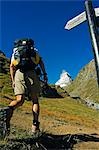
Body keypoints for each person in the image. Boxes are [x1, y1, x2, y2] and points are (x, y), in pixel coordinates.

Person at [7, 38, 48, 134]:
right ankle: (35, 127)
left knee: (19, 100)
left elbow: (12, 66)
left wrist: (13, 80)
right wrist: (44, 74)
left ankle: (7, 114)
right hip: (32, 74)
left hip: (19, 73)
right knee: (35, 101)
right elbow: (40, 62)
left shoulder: (16, 52)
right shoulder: (34, 51)